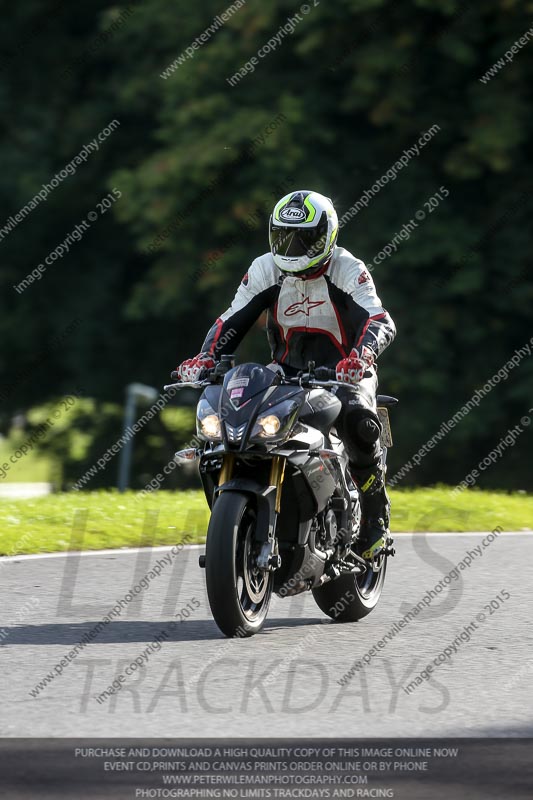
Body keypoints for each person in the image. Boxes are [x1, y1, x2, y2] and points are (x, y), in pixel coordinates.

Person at [175, 190, 396, 559]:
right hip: (286, 370)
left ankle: (375, 517)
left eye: (303, 238)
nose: (291, 247)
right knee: (234, 418)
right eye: (283, 236)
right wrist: (205, 357)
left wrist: (363, 354)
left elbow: (379, 318)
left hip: (345, 370)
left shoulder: (347, 268)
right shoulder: (265, 269)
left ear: (326, 235)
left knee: (359, 419)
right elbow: (232, 319)